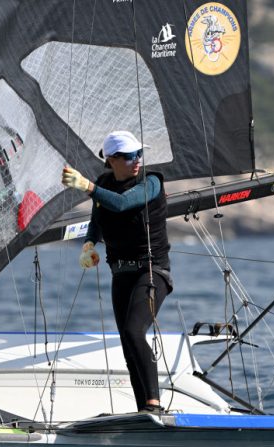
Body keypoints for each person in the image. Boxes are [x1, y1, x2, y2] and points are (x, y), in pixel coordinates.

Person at [61, 130, 172, 414]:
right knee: (127, 344)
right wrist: (89, 243)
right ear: (111, 159)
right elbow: (98, 217)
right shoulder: (103, 183)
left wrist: (86, 186)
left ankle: (154, 405)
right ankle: (142, 411)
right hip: (120, 274)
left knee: (135, 332)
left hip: (152, 271)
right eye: (129, 156)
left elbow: (123, 204)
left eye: (139, 154)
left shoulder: (151, 181)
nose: (137, 160)